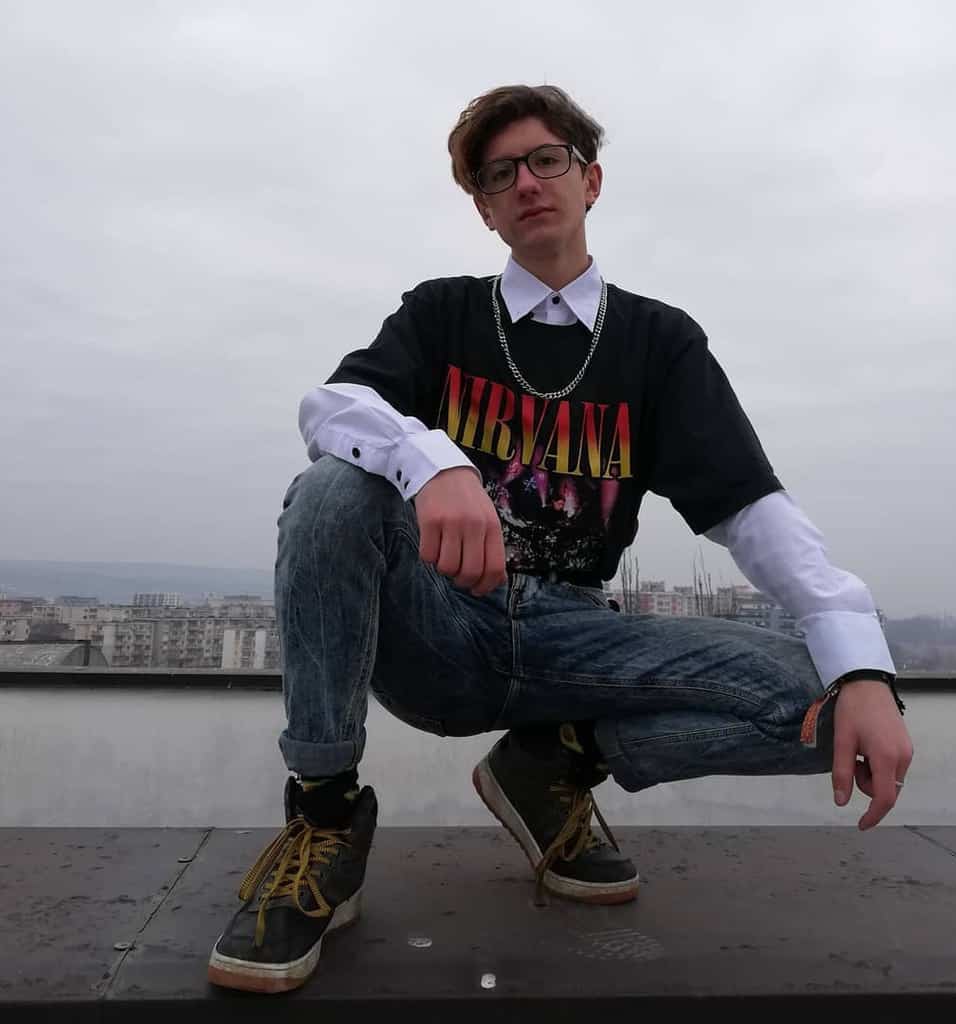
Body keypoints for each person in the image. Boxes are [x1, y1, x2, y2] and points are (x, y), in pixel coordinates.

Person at [208, 84, 913, 993]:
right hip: (441, 625)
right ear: (484, 208)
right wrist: (434, 463)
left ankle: (554, 763)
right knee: (334, 488)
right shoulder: (444, 314)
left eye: (547, 160)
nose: (528, 183)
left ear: (592, 180)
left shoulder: (658, 343)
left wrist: (861, 660)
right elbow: (333, 407)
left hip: (572, 638)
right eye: (500, 175)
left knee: (842, 702)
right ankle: (325, 817)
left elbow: (748, 508)